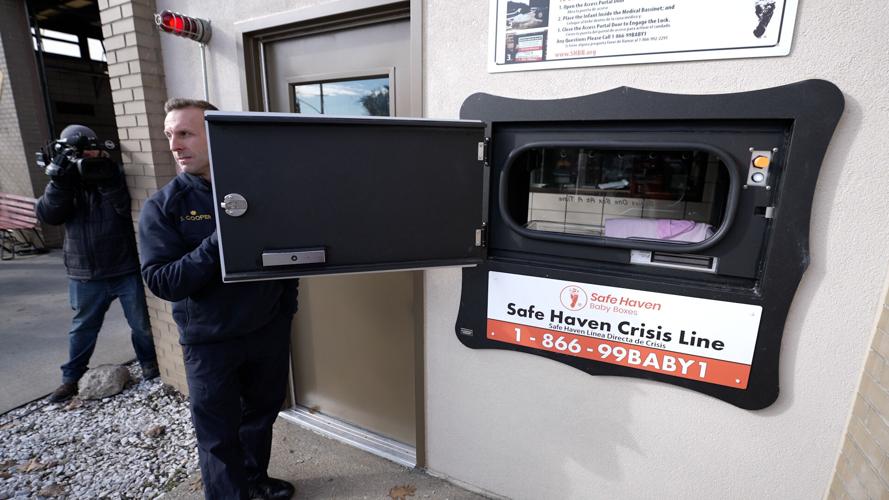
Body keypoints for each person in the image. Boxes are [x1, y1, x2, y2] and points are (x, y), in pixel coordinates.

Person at [138, 98, 298, 500]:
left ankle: (254, 482)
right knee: (217, 436)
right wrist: (218, 240)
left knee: (260, 417)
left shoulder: (260, 192)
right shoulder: (164, 207)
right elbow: (163, 280)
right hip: (209, 343)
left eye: (185, 133)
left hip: (266, 332)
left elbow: (287, 257)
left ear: (217, 136)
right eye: (170, 135)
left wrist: (284, 314)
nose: (174, 144)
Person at [36, 124, 159, 403]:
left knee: (141, 323)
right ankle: (71, 378)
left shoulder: (110, 173)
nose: (87, 157)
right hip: (84, 272)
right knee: (83, 327)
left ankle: (149, 363)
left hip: (124, 266)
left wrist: (107, 178)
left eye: (91, 150)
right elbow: (49, 215)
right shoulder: (65, 181)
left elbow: (124, 208)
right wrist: (60, 183)